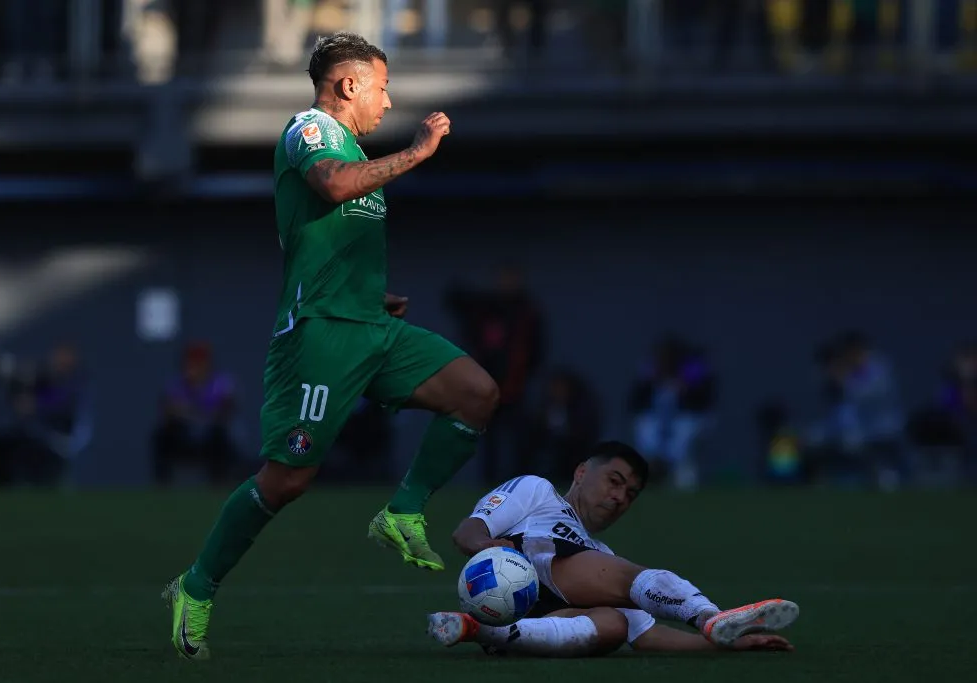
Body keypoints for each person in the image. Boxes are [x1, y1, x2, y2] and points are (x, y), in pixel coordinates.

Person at [163, 31, 500, 660]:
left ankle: (402, 512)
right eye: (382, 85)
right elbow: (335, 187)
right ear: (350, 85)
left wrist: (373, 295)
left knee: (477, 394)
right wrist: (418, 151)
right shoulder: (310, 129)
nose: (387, 98)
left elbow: (333, 237)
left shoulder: (351, 149)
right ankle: (196, 586)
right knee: (288, 481)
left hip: (369, 324)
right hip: (318, 333)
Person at [426, 441, 799, 657]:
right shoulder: (537, 492)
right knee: (621, 574)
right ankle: (708, 614)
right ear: (582, 472)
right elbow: (467, 532)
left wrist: (726, 646)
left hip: (536, 611)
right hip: (523, 563)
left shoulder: (597, 551)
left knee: (616, 625)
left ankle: (480, 631)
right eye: (614, 481)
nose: (619, 497)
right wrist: (489, 546)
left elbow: (646, 634)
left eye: (630, 494)